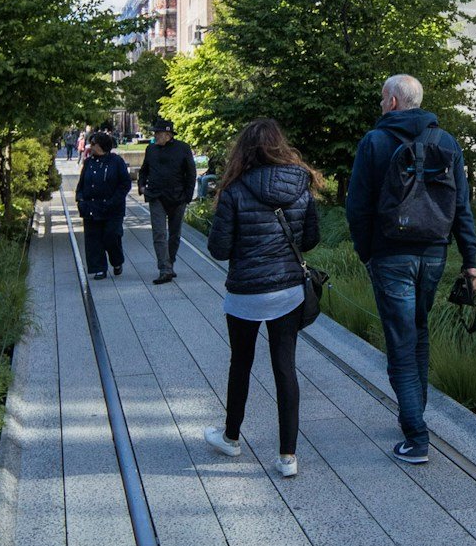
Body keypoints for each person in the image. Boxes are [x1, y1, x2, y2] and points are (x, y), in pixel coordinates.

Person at [345, 73, 476, 464]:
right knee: (418, 332)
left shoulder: (375, 141)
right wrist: (470, 262)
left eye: (382, 98)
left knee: (401, 342)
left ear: (392, 102)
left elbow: (357, 207)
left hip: (390, 255)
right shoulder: (447, 142)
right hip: (434, 253)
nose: (380, 104)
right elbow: (463, 209)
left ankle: (417, 437)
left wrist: (367, 253)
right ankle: (413, 415)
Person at [202, 117, 320, 479]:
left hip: (246, 294)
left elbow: (218, 249)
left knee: (241, 363)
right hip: (287, 291)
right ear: (279, 145)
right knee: (285, 367)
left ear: (244, 149)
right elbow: (311, 239)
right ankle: (288, 456)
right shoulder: (302, 186)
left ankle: (231, 437)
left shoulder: (235, 190)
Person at [137, 114, 198, 283]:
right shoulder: (151, 149)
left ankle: (170, 263)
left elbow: (191, 173)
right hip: (156, 196)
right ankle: (164, 268)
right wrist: (142, 186)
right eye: (155, 133)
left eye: (158, 133)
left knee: (175, 234)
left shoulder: (183, 148)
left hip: (177, 197)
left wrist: (187, 195)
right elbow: (144, 170)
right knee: (159, 233)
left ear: (168, 134)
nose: (155, 136)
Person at [77, 126, 132, 278]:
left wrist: (114, 201)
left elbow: (125, 184)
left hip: (112, 208)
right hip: (91, 207)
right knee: (93, 238)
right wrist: (80, 199)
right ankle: (99, 268)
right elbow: (82, 183)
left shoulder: (116, 161)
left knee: (111, 236)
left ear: (101, 145)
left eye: (93, 143)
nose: (91, 146)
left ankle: (117, 261)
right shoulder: (88, 162)